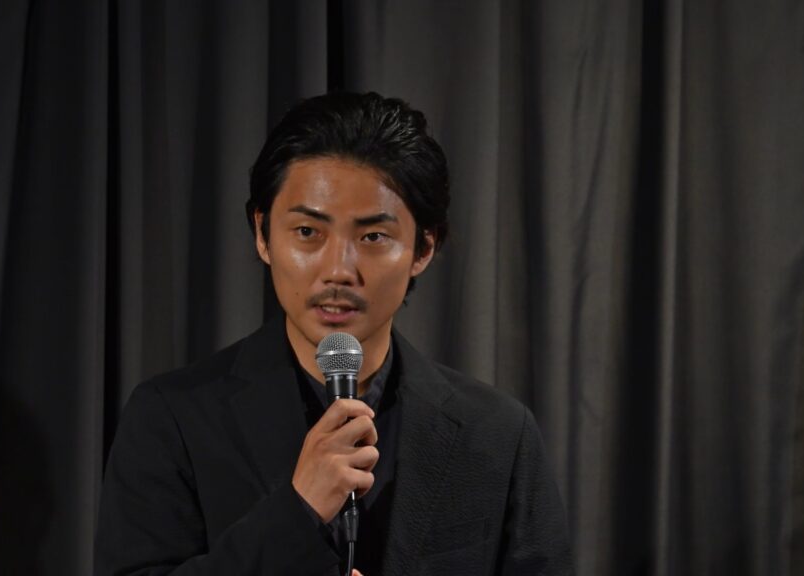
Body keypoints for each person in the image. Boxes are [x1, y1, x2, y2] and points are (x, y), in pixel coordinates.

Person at [94, 92, 572, 576]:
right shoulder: (171, 417)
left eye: (372, 237)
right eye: (308, 232)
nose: (338, 270)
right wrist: (298, 510)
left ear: (423, 249)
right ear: (262, 234)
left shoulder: (498, 434)